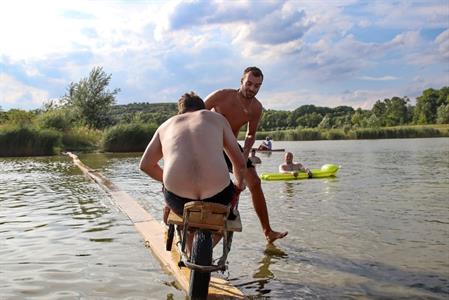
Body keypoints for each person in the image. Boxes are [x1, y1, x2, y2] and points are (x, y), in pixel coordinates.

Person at [139, 92, 246, 248]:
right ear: (203, 108)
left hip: (179, 200)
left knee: (166, 187)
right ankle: (209, 243)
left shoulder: (166, 125)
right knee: (230, 210)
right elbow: (240, 163)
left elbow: (145, 165)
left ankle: (189, 249)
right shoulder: (217, 119)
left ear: (181, 112)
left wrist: (168, 179)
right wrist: (239, 185)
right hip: (218, 197)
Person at [205, 66, 288, 243]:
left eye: (257, 86)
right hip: (209, 144)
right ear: (241, 81)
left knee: (255, 182)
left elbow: (251, 134)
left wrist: (245, 155)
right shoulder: (221, 95)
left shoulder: (257, 108)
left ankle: (268, 231)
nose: (252, 89)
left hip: (231, 146)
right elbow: (194, 114)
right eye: (249, 83)